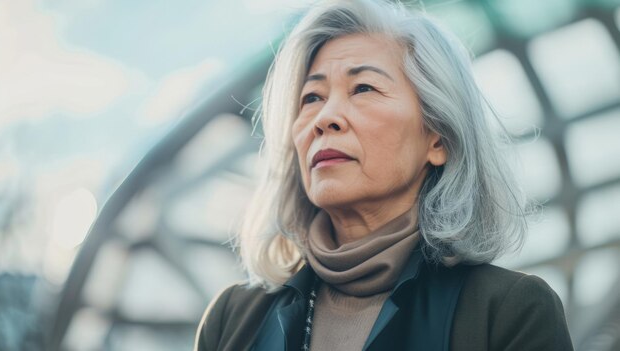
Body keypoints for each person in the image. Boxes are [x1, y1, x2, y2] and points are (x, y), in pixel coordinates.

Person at [195, 0, 574, 350]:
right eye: (312, 97)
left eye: (363, 88)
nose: (325, 118)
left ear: (438, 138)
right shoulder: (232, 318)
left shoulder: (509, 311)